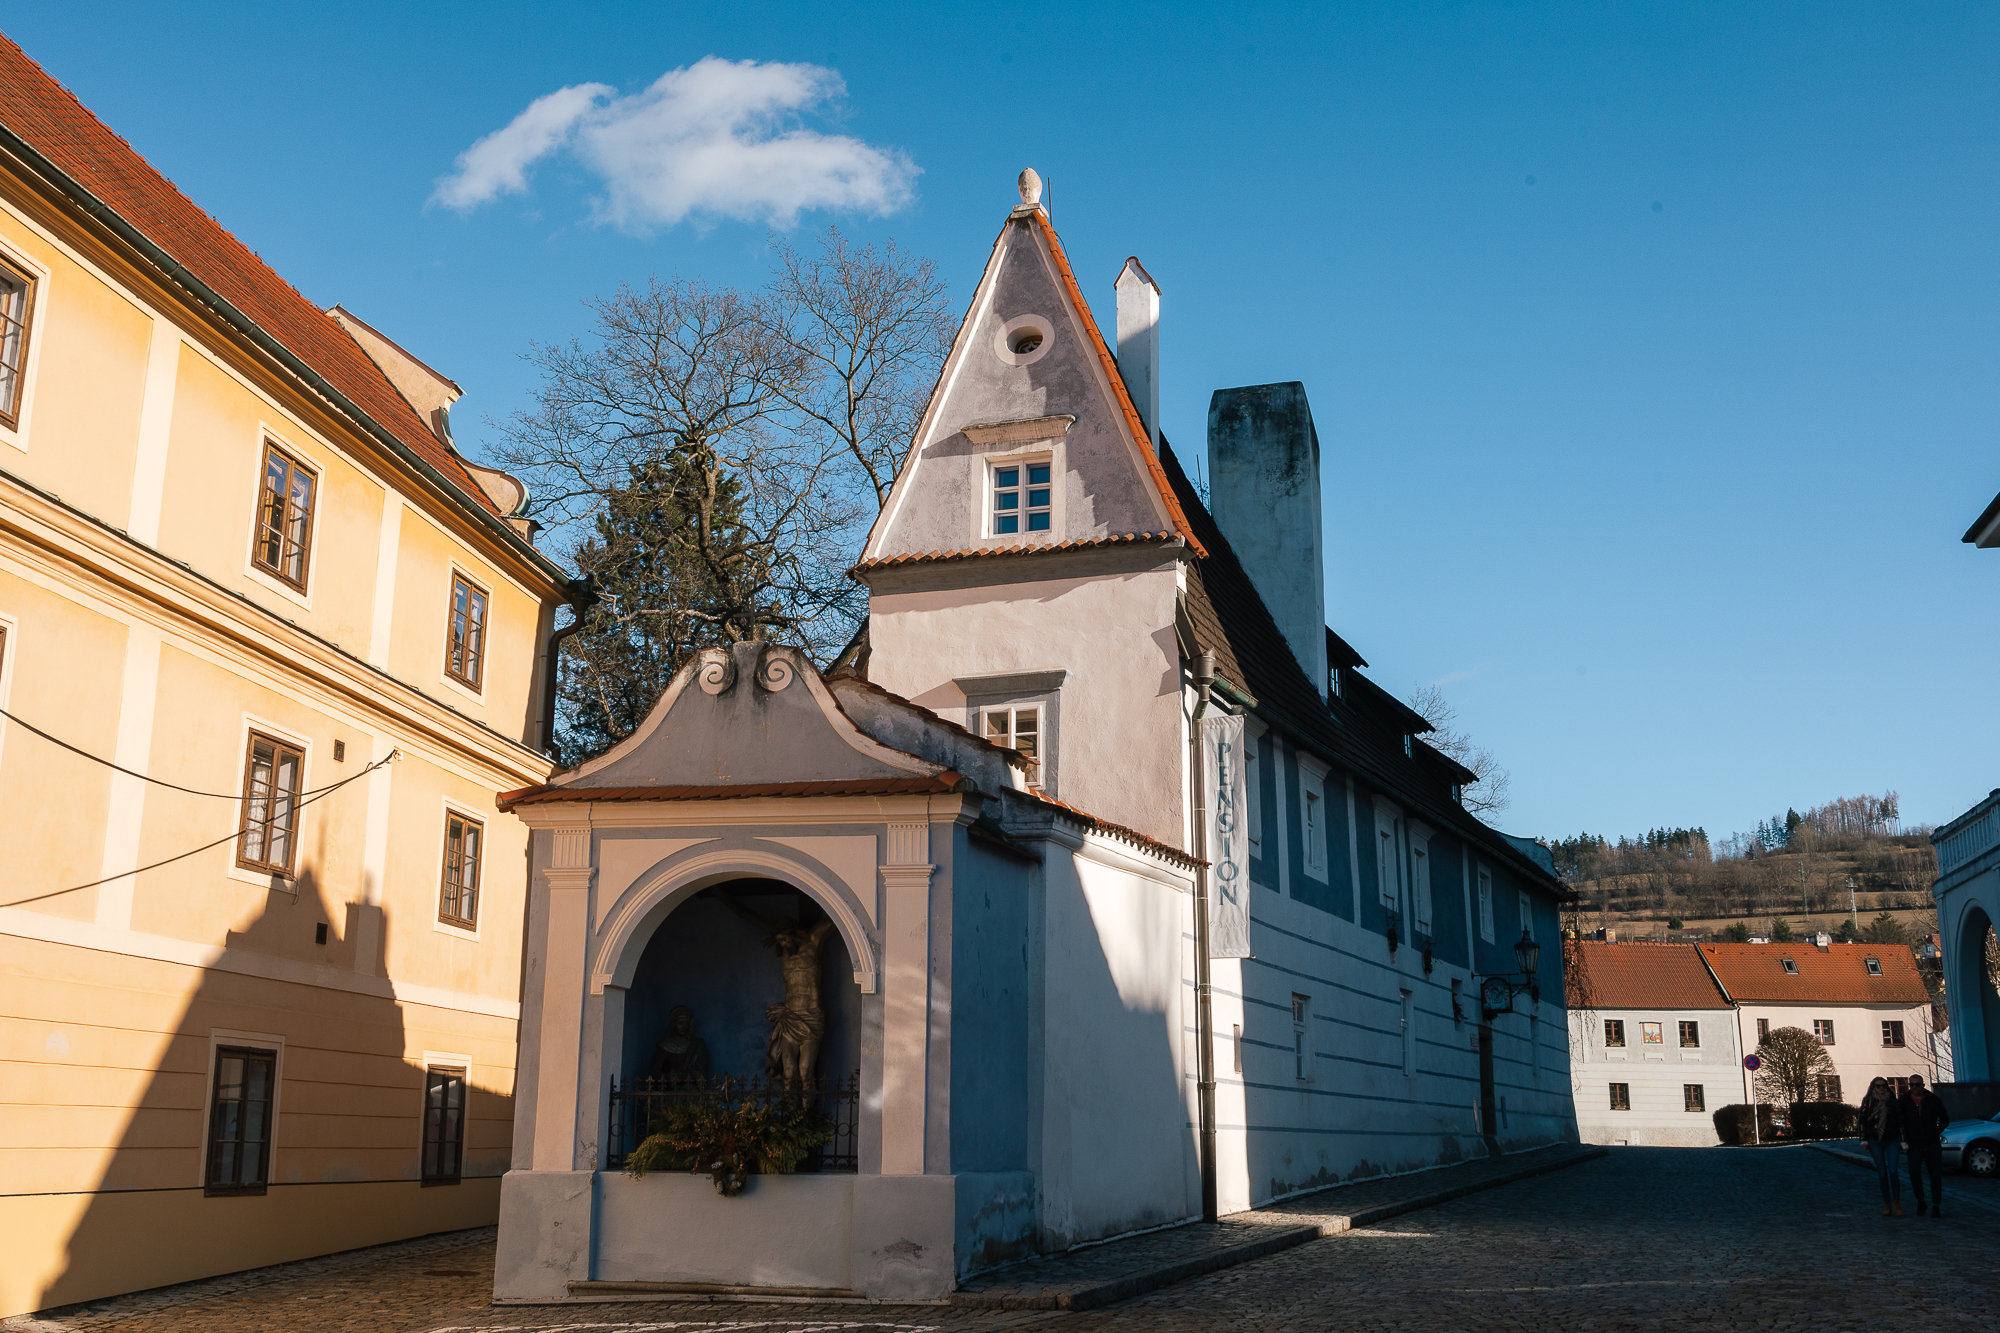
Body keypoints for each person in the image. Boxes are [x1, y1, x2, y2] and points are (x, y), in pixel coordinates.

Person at [1899, 1073, 1951, 1217]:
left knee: (1935, 1174)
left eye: (1917, 1084)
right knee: (1914, 1172)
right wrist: (1904, 1138)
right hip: (1913, 1143)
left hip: (1932, 1143)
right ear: (1909, 1086)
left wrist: (1935, 1131)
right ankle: (1921, 1201)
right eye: (1912, 1085)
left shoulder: (1933, 1100)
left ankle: (1936, 1205)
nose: (1915, 1087)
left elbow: (1945, 1119)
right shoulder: (1904, 1101)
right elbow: (1900, 1121)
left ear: (1923, 1085)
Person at [1856, 1077, 1903, 1217]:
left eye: (1883, 1086)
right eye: (1878, 1086)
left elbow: (1900, 1121)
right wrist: (1863, 1139)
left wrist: (1903, 1140)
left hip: (1892, 1139)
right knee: (1882, 1173)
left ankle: (1897, 1203)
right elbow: (1862, 1121)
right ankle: (1887, 1204)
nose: (1881, 1088)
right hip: (1875, 1140)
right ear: (1873, 1087)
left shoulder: (1893, 1101)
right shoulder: (1868, 1101)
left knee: (1893, 1171)